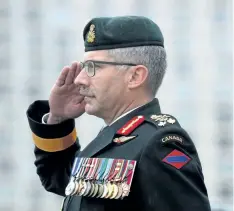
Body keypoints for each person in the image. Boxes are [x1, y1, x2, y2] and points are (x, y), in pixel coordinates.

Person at [26, 16, 211, 211]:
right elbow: (60, 177)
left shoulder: (159, 144)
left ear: (134, 76)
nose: (79, 79)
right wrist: (58, 119)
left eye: (92, 68)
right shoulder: (114, 138)